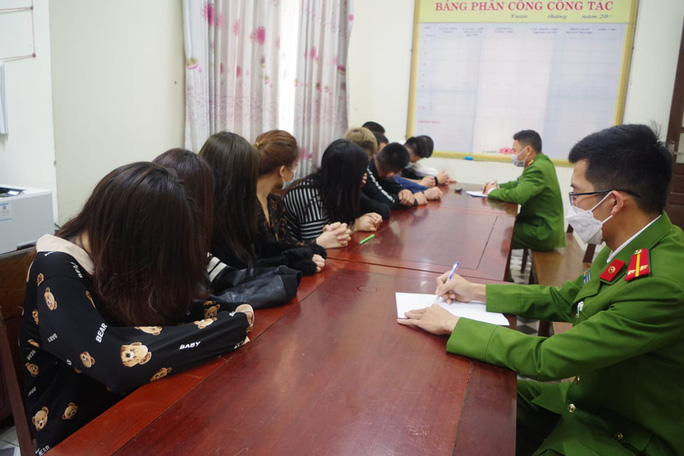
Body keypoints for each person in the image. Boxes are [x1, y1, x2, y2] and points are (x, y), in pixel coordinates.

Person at [399, 124, 683, 455]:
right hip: (591, 400)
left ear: (614, 202)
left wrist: (455, 324)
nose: (573, 205)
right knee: (474, 394)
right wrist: (474, 291)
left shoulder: (660, 283)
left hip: (622, 432)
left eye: (577, 195)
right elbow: (564, 299)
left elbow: (548, 358)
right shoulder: (632, 243)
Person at [20, 163, 253, 452]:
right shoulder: (55, 268)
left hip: (136, 408)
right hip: (78, 436)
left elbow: (173, 310)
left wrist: (226, 310)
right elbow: (114, 360)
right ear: (136, 238)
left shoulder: (111, 258)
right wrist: (229, 327)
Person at [199, 131, 327, 275]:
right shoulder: (216, 214)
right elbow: (236, 269)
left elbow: (261, 250)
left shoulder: (242, 204)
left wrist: (303, 252)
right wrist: (290, 262)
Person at [255, 129, 350, 252]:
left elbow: (286, 244)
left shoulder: (274, 201)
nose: (294, 172)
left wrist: (325, 236)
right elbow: (258, 257)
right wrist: (318, 243)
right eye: (295, 166)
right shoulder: (243, 205)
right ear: (283, 171)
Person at [283, 139, 383, 241]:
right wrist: (356, 225)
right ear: (348, 174)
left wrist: (363, 218)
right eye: (361, 172)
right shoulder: (309, 194)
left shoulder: (334, 187)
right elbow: (318, 241)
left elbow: (339, 221)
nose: (364, 176)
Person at [482, 130, 565, 251]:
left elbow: (518, 196)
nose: (513, 155)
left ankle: (492, 263)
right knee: (501, 229)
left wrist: (491, 192)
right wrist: (496, 186)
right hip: (538, 224)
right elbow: (518, 184)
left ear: (528, 150)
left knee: (496, 234)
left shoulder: (537, 168)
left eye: (515, 151)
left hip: (543, 231)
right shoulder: (539, 162)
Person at [362, 142, 427, 209]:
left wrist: (402, 190)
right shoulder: (365, 173)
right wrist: (415, 201)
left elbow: (391, 183)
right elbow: (386, 201)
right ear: (391, 174)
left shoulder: (377, 166)